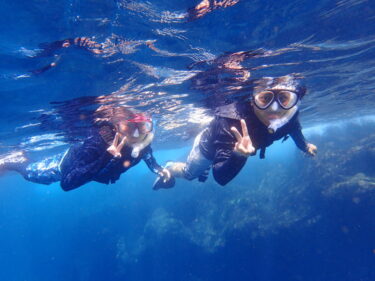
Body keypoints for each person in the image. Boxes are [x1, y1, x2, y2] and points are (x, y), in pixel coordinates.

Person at [153, 74, 317, 189]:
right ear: (253, 100)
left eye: (284, 99)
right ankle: (169, 167)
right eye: (265, 98)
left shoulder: (289, 114)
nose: (275, 108)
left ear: (293, 101)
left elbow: (294, 128)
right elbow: (220, 178)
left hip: (230, 149)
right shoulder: (231, 121)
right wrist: (239, 155)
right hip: (208, 148)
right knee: (189, 174)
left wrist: (304, 146)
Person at [0, 106, 170, 191]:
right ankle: (12, 162)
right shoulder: (98, 141)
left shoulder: (142, 141)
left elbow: (147, 155)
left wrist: (161, 171)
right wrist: (106, 157)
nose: (138, 132)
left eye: (144, 126)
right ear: (116, 125)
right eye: (130, 126)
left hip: (89, 171)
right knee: (33, 174)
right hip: (62, 168)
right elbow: (66, 184)